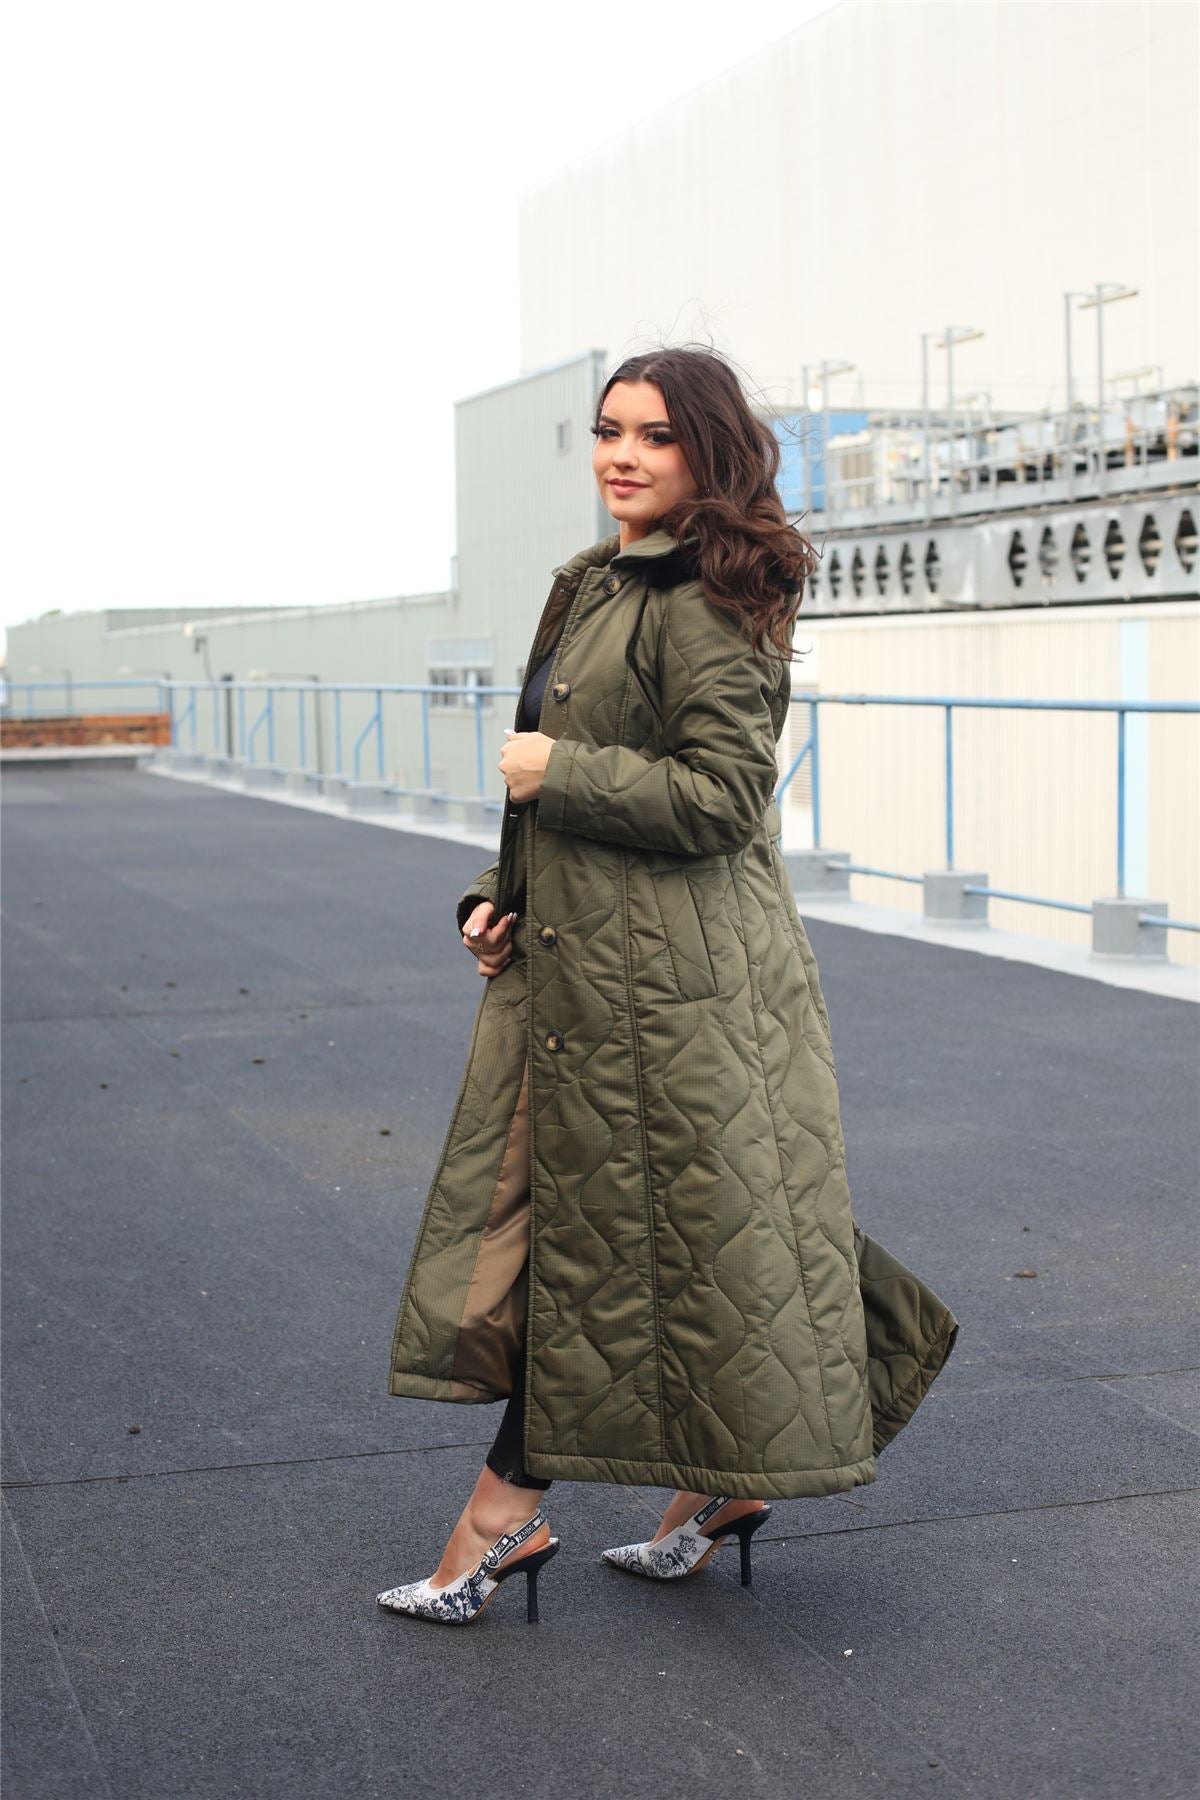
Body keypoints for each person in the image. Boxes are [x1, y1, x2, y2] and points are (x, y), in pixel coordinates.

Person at [378, 345, 959, 1627]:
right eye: (608, 430)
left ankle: (499, 1518)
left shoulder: (710, 592)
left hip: (687, 994)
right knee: (705, 1232)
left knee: (628, 1239)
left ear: (709, 453)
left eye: (655, 435)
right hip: (586, 976)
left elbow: (721, 800)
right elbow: (569, 783)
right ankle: (714, 1491)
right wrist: (496, 895)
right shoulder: (595, 584)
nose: (622, 455)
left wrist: (550, 775)